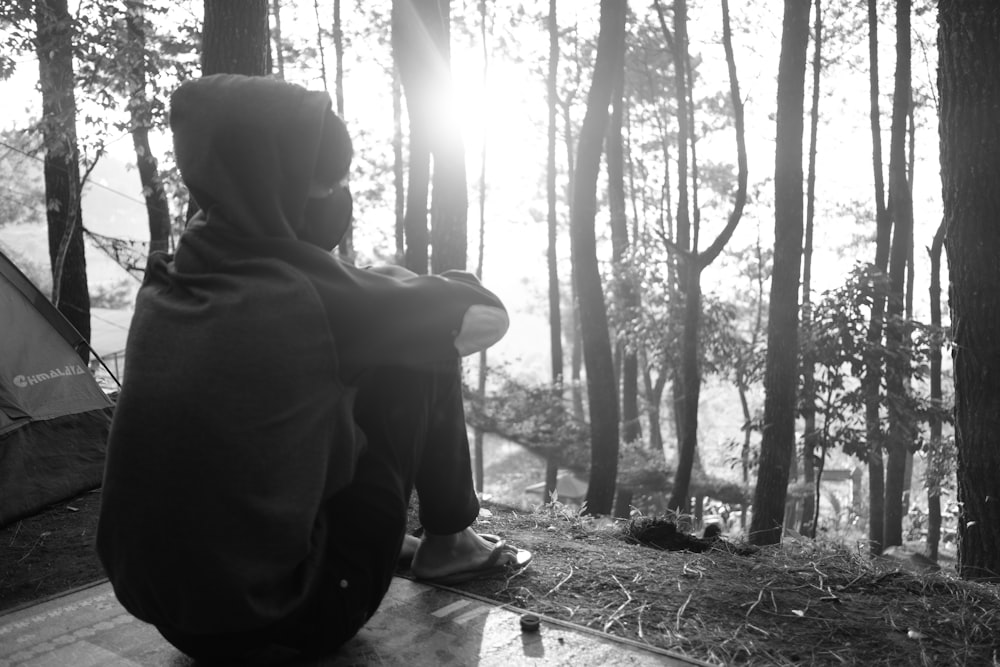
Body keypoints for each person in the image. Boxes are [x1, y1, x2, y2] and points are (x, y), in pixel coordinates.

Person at [96, 73, 530, 663]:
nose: (339, 199)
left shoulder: (172, 276)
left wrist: (373, 291)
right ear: (287, 186)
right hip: (292, 615)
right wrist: (398, 284)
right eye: (332, 183)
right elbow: (485, 316)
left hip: (171, 614)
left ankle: (335, 536)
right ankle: (450, 539)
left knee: (365, 354)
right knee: (419, 350)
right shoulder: (317, 298)